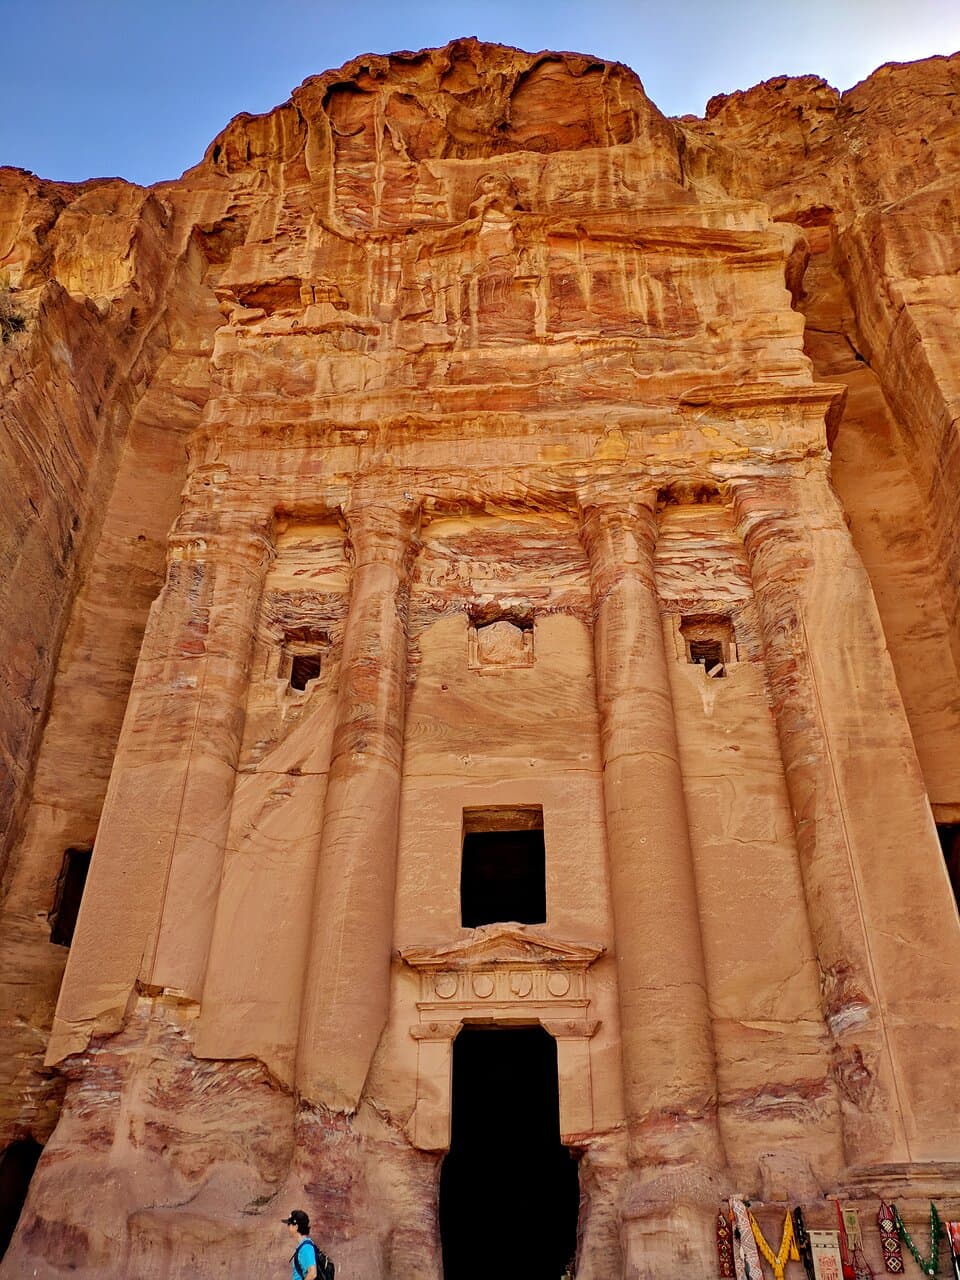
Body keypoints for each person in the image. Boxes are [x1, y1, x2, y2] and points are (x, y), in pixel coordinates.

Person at [283, 1209, 319, 1280]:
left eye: (289, 1224)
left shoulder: (306, 1248)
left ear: (296, 1227)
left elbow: (313, 1273)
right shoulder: (303, 1245)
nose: (287, 1227)